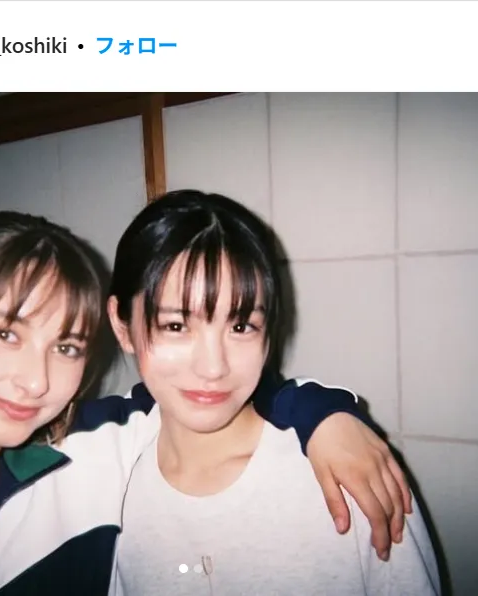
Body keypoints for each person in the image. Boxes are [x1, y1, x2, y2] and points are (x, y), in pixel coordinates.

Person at [0, 210, 409, 596]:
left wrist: (326, 414)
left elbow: (206, 392)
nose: (35, 381)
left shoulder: (91, 448)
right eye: (5, 333)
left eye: (66, 346)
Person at [106, 190, 440, 595]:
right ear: (122, 326)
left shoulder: (350, 477)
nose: (213, 367)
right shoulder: (102, 483)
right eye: (176, 326)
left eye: (241, 326)